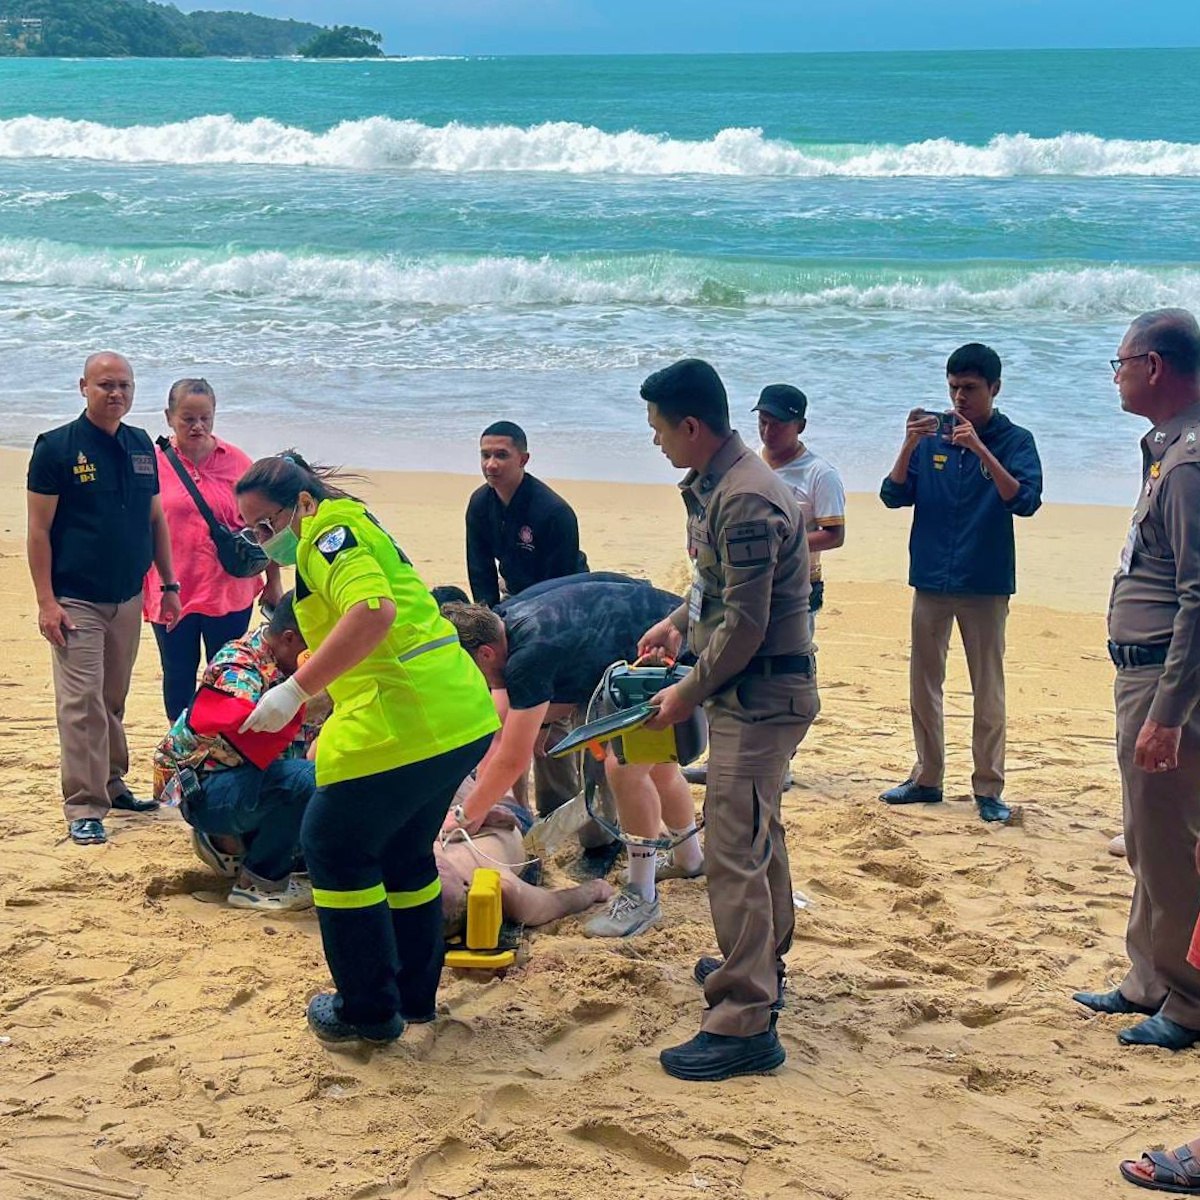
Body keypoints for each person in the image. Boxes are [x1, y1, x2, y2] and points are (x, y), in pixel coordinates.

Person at [234, 452, 499, 1046]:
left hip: (404, 719)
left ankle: (368, 1009)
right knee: (406, 855)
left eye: (265, 525)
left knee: (331, 843)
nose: (261, 539)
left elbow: (373, 611)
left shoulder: (330, 532)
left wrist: (295, 691)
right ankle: (413, 998)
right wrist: (315, 674)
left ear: (302, 502)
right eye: (250, 531)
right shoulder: (351, 523)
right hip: (458, 714)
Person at [636, 357, 818, 1082]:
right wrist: (679, 621)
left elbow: (745, 625)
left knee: (735, 848)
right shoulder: (724, 486)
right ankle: (761, 960)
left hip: (761, 696)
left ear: (691, 426)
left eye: (659, 430)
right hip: (752, 692)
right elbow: (719, 593)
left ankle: (744, 1016)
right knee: (754, 831)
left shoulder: (745, 498)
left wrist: (684, 692)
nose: (656, 443)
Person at [440, 572, 704, 937]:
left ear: (485, 653)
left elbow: (513, 759)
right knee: (657, 765)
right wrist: (539, 726)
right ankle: (689, 858)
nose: (479, 681)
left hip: (671, 646)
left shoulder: (527, 655)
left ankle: (642, 897)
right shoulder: (505, 619)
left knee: (623, 767)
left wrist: (466, 814)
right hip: (665, 625)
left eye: (472, 671)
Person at [1073, 309, 1200, 1052]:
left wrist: (1169, 711)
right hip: (1145, 673)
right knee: (1144, 832)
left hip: (1165, 679)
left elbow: (1196, 596)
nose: (1115, 375)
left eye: (1119, 362)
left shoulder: (1186, 463)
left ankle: (1185, 1003)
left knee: (1168, 838)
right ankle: (1148, 976)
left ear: (1154, 366)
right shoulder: (1166, 448)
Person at [878, 343, 1043, 824]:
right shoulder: (934, 435)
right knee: (923, 682)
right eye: (953, 388)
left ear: (994, 388)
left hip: (985, 578)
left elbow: (1026, 501)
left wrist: (980, 449)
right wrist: (908, 444)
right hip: (931, 574)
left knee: (987, 688)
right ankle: (927, 778)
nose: (959, 398)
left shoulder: (1015, 440)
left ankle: (988, 787)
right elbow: (892, 495)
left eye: (969, 388)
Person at [26, 352, 181, 846]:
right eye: (105, 385)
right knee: (81, 703)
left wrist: (170, 585)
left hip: (128, 597)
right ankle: (84, 806)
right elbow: (37, 531)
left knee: (112, 698)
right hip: (76, 600)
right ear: (83, 388)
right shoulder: (55, 448)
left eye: (125, 386)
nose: (116, 394)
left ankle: (112, 785)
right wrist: (47, 602)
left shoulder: (140, 445)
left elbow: (156, 520)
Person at [153, 592, 316, 911]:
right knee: (311, 779)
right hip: (206, 790)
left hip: (255, 780)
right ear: (289, 638)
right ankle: (257, 881)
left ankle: (267, 849)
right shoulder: (240, 661)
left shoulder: (288, 663)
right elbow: (243, 726)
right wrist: (309, 701)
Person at [146, 378, 282, 722]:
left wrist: (274, 581)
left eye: (205, 418)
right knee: (177, 675)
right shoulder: (150, 463)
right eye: (188, 418)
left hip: (228, 591)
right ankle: (182, 744)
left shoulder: (237, 463)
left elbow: (266, 527)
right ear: (168, 416)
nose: (198, 426)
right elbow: (135, 525)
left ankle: (216, 746)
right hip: (170, 590)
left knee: (225, 676)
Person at [438, 775, 614, 936]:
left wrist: (461, 816)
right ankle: (519, 801)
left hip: (454, 821)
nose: (437, 868)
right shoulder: (500, 883)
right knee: (499, 784)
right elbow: (553, 904)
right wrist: (593, 890)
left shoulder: (418, 864)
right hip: (514, 827)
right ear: (466, 886)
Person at [754, 384, 846, 642]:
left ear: (800, 426)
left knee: (792, 661)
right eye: (763, 422)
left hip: (797, 582)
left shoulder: (820, 474)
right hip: (749, 577)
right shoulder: (747, 463)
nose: (768, 431)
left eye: (779, 425)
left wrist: (778, 545)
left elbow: (835, 535)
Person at [465, 420, 588, 607]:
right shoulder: (479, 503)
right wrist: (487, 619)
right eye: (485, 455)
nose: (490, 465)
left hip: (566, 591)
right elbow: (480, 569)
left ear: (523, 460)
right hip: (516, 588)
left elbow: (559, 583)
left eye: (501, 455)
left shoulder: (554, 512)